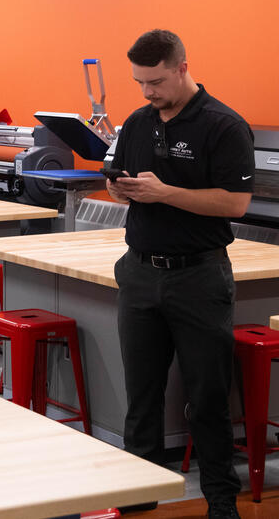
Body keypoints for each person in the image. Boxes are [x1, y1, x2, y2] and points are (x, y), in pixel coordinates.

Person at [106, 29, 253, 519]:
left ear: (183, 68)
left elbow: (235, 203)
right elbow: (122, 183)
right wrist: (123, 191)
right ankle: (138, 497)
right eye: (140, 83)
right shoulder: (136, 122)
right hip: (140, 273)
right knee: (141, 397)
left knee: (207, 397)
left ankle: (221, 502)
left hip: (199, 278)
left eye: (156, 82)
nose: (147, 92)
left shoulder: (223, 126)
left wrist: (164, 192)